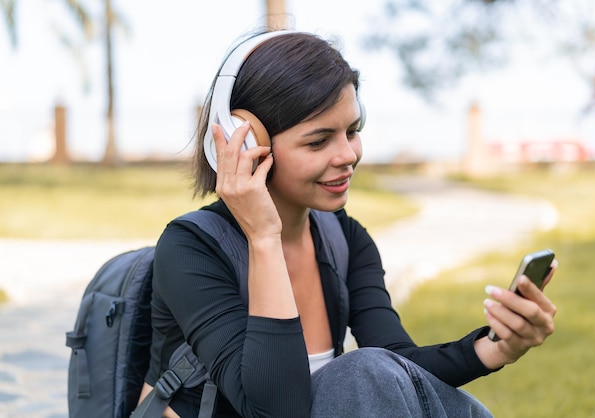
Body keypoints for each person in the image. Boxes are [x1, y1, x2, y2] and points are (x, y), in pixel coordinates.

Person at [138, 29, 558, 418]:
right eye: (319, 141)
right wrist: (264, 237)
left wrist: (497, 346)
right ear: (248, 143)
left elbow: (398, 363)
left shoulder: (344, 237)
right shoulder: (190, 248)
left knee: (382, 373)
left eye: (352, 131)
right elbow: (276, 409)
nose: (348, 155)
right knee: (361, 373)